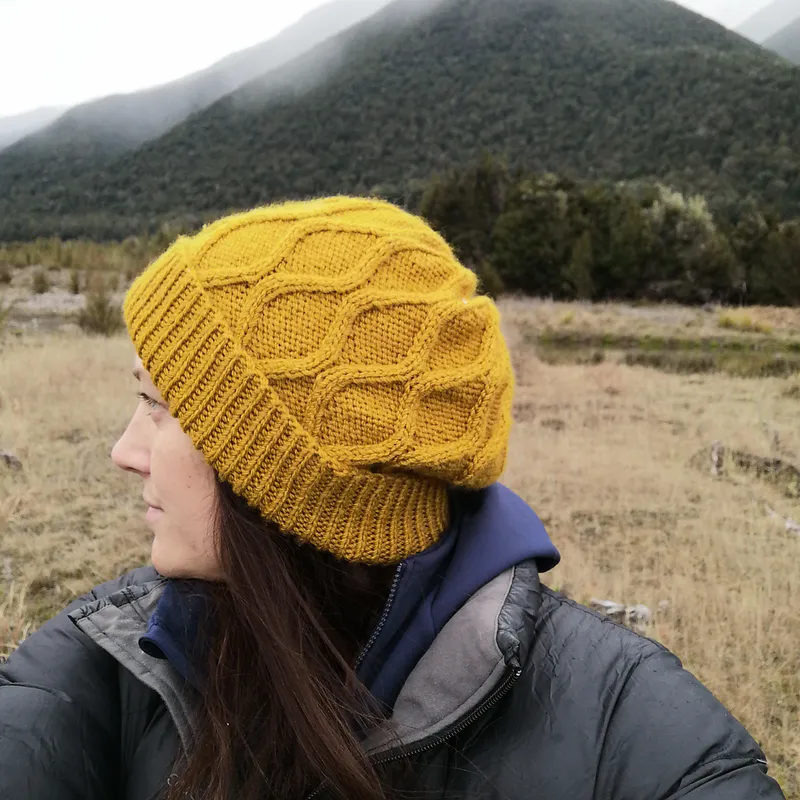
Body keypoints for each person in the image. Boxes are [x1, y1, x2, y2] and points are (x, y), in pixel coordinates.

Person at [0, 197, 785, 800]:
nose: (123, 453)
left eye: (160, 406)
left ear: (288, 474)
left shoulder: (631, 737)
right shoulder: (102, 668)